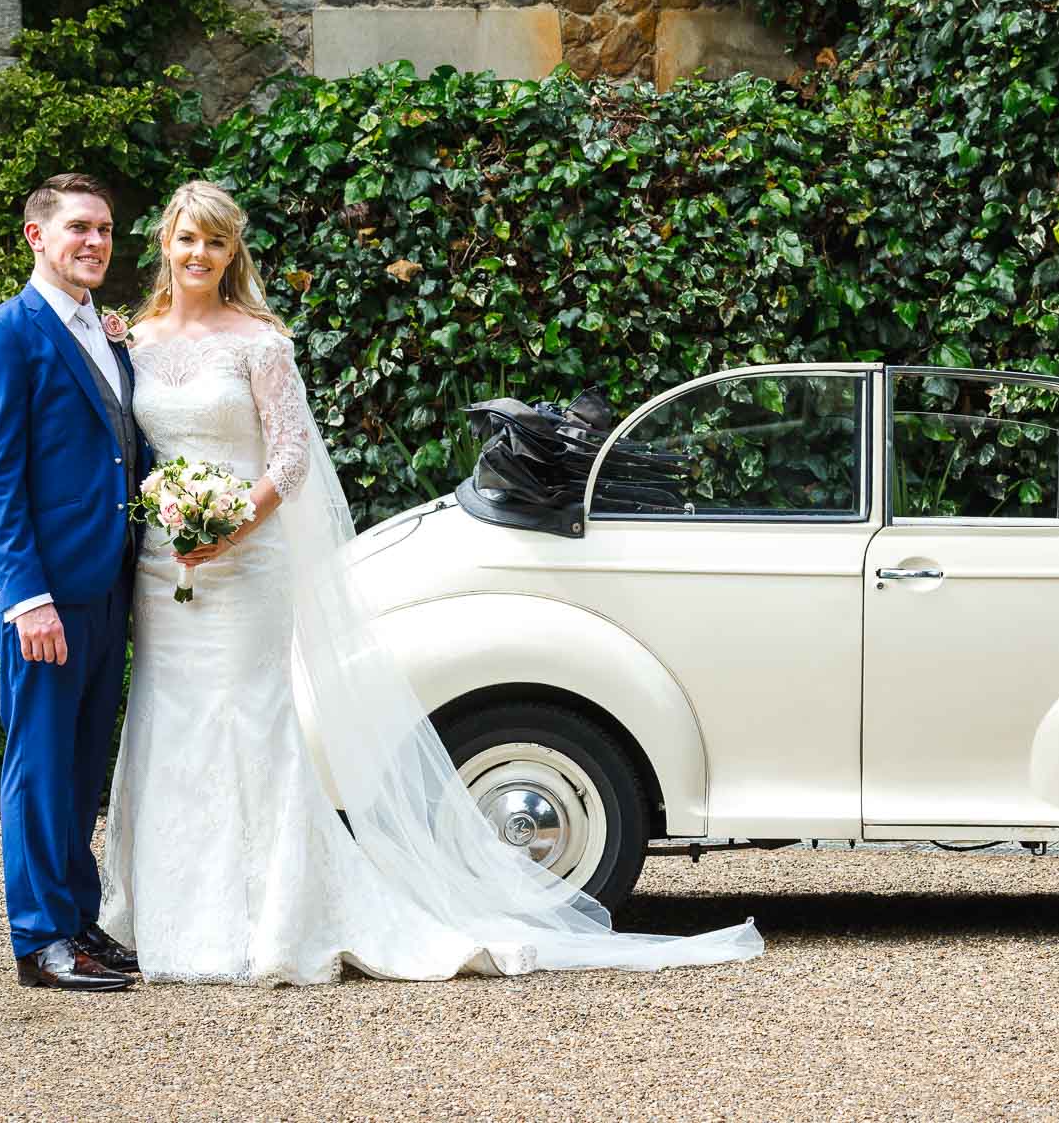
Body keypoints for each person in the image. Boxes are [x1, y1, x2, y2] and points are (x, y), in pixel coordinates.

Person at [97, 180, 760, 983]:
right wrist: (183, 528)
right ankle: (163, 917)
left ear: (232, 252)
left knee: (251, 726)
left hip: (246, 560)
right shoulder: (131, 339)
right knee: (170, 725)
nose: (196, 254)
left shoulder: (262, 342)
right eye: (184, 239)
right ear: (164, 244)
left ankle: (269, 922)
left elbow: (291, 460)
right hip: (168, 569)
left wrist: (230, 525)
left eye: (213, 241)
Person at [0, 172, 149, 992]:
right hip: (46, 597)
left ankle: (79, 921)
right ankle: (40, 939)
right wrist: (26, 595)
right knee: (38, 764)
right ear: (36, 236)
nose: (96, 242)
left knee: (78, 767)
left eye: (105, 229)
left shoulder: (107, 334)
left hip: (108, 588)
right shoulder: (3, 334)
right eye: (79, 227)